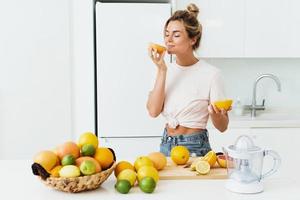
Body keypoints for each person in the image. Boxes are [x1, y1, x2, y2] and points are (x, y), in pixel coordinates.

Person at [147, 3, 230, 157]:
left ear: (193, 39)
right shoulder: (164, 69)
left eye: (176, 35)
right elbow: (153, 111)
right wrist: (162, 70)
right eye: (166, 34)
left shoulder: (211, 74)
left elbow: (223, 127)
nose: (168, 40)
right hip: (166, 144)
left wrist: (216, 115)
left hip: (196, 147)